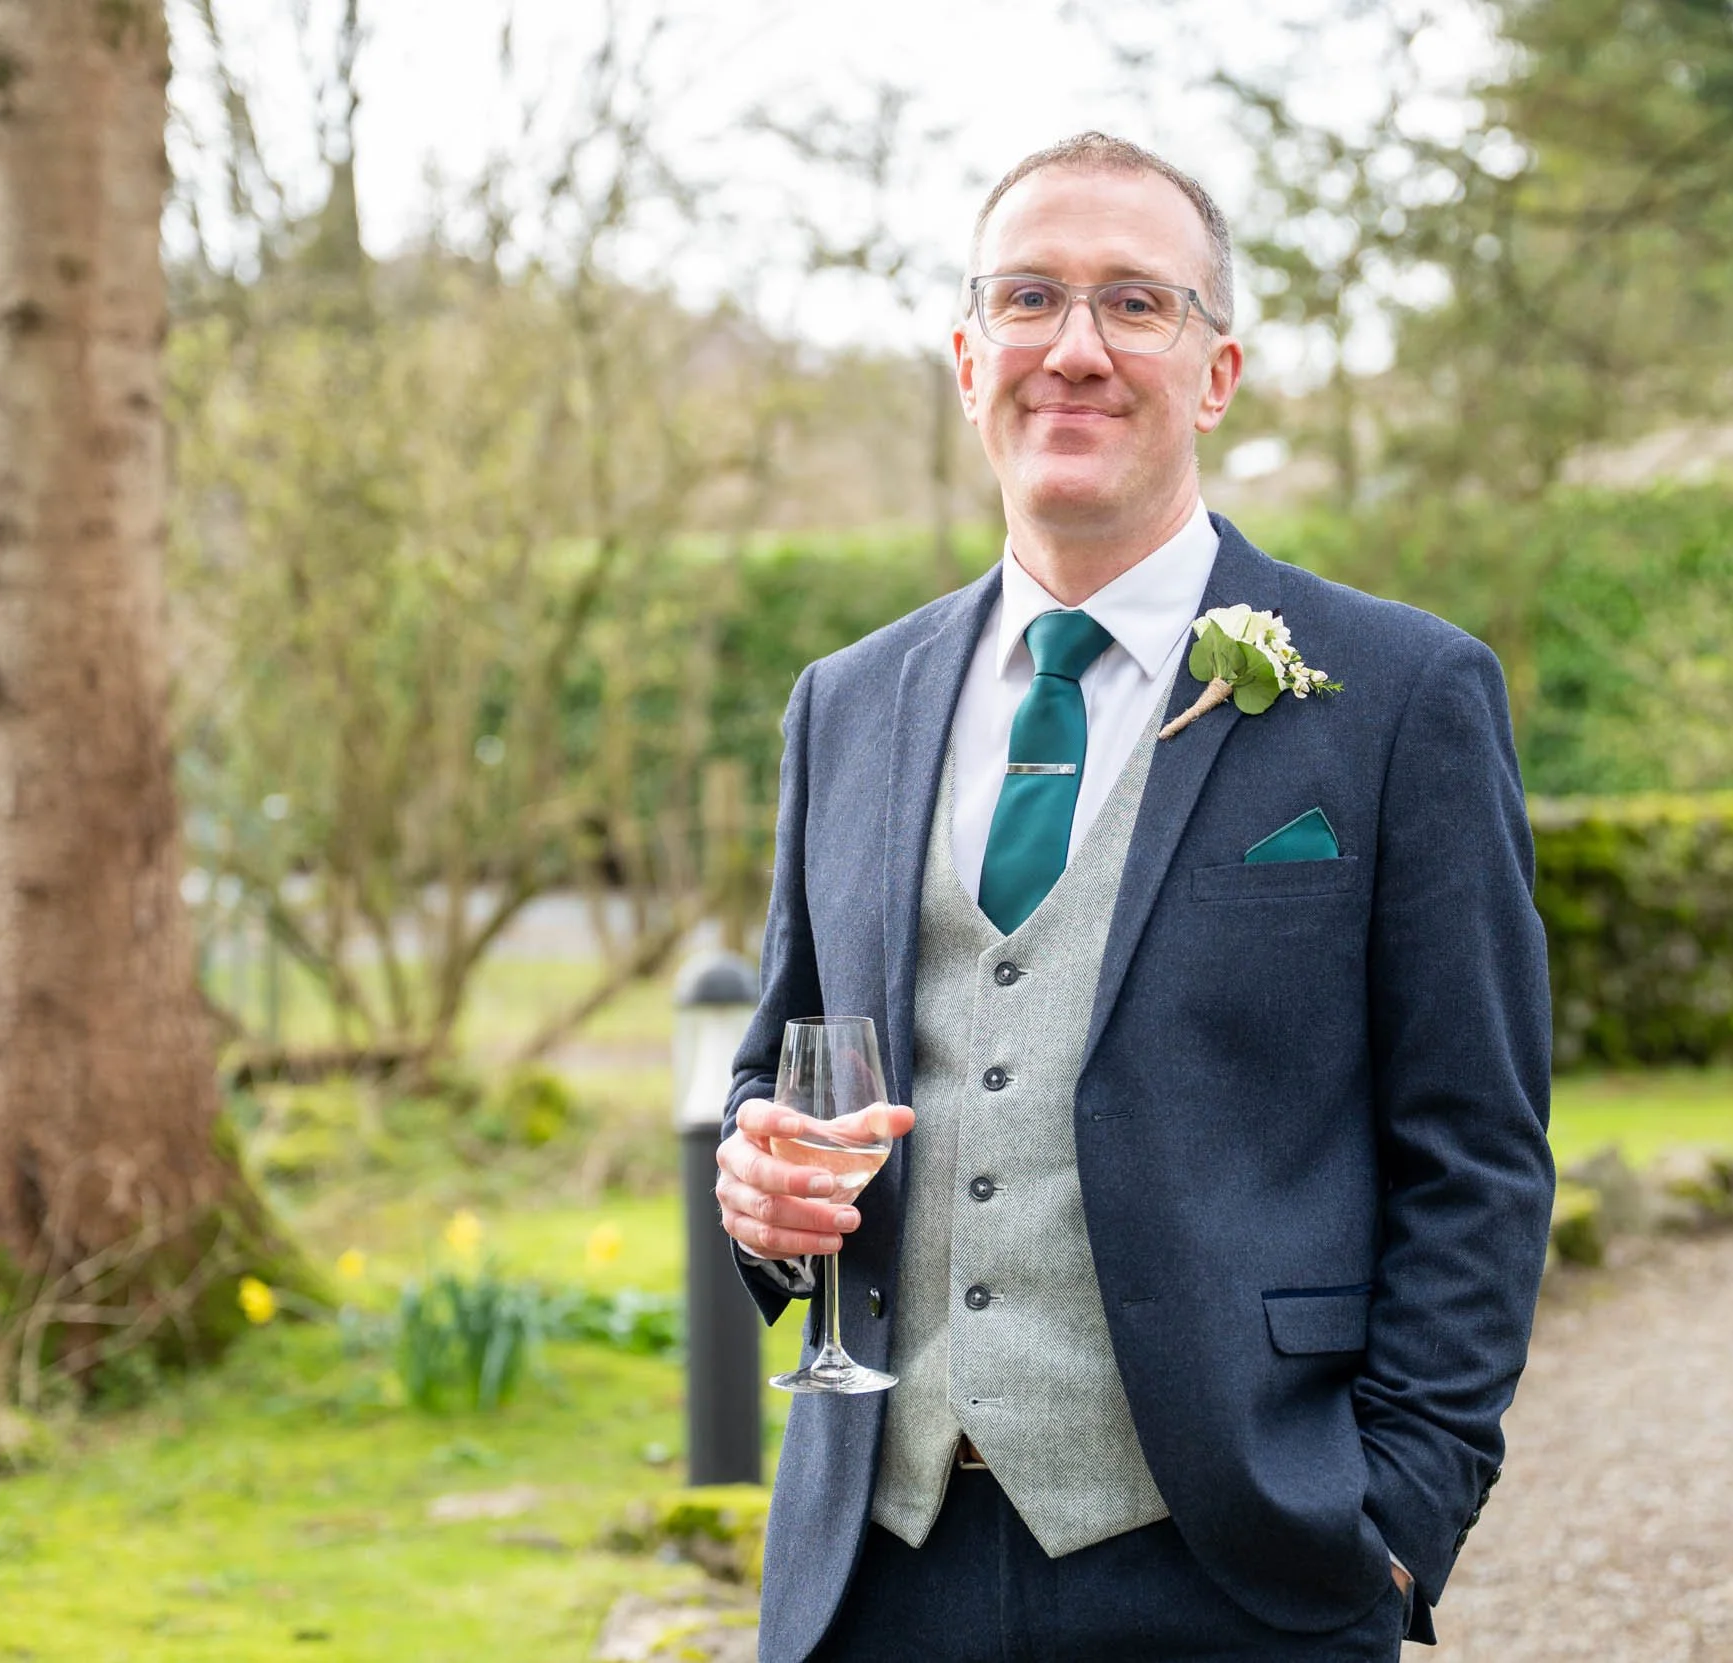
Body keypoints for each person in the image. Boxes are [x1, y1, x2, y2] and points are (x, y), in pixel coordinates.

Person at [715, 130, 1554, 1663]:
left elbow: (1479, 1150)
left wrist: (1401, 1517)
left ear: (1217, 370)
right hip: (871, 1575)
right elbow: (781, 1068)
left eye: (1137, 305)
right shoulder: (846, 701)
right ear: (969, 357)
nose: (1076, 350)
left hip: (1238, 1565)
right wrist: (760, 1194)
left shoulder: (1401, 693)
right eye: (1030, 299)